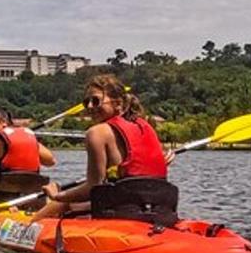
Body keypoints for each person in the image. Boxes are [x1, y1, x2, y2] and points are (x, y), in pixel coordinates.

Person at [30, 75, 178, 224]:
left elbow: (93, 188)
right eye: (86, 102)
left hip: (122, 211)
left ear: (118, 104)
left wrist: (57, 195)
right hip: (158, 210)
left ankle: (26, 227)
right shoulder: (145, 126)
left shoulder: (96, 133)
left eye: (95, 101)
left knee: (63, 203)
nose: (89, 107)